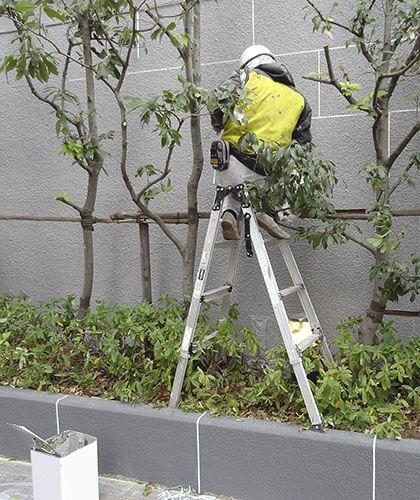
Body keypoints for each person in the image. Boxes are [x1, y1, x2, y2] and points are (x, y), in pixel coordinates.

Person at [211, 44, 312, 240]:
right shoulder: (299, 98)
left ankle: (230, 215)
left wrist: (217, 123)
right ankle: (273, 214)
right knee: (298, 178)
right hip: (268, 172)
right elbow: (302, 147)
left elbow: (219, 97)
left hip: (229, 163)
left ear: (247, 64)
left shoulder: (244, 77)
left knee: (233, 191)